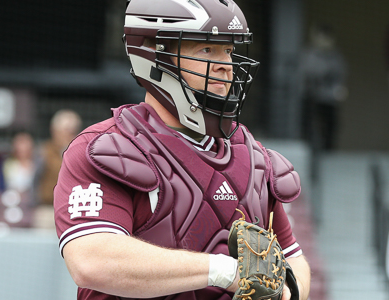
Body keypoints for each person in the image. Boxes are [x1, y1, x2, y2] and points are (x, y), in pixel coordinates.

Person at [54, 1, 311, 299]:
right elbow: (92, 262)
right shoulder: (109, 147)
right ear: (153, 56)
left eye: (228, 51)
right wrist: (223, 272)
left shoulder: (251, 154)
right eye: (206, 49)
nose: (225, 66)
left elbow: (292, 255)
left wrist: (288, 292)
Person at [299, 23, 348, 151]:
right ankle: (310, 149)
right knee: (308, 127)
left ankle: (328, 151)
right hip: (310, 98)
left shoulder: (336, 57)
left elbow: (340, 76)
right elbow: (306, 73)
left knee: (329, 127)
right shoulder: (309, 54)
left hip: (328, 99)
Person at [34, 109, 82, 228]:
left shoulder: (79, 151)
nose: (70, 134)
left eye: (73, 131)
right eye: (66, 130)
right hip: (47, 209)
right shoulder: (44, 151)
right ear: (55, 131)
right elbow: (34, 180)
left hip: (73, 210)